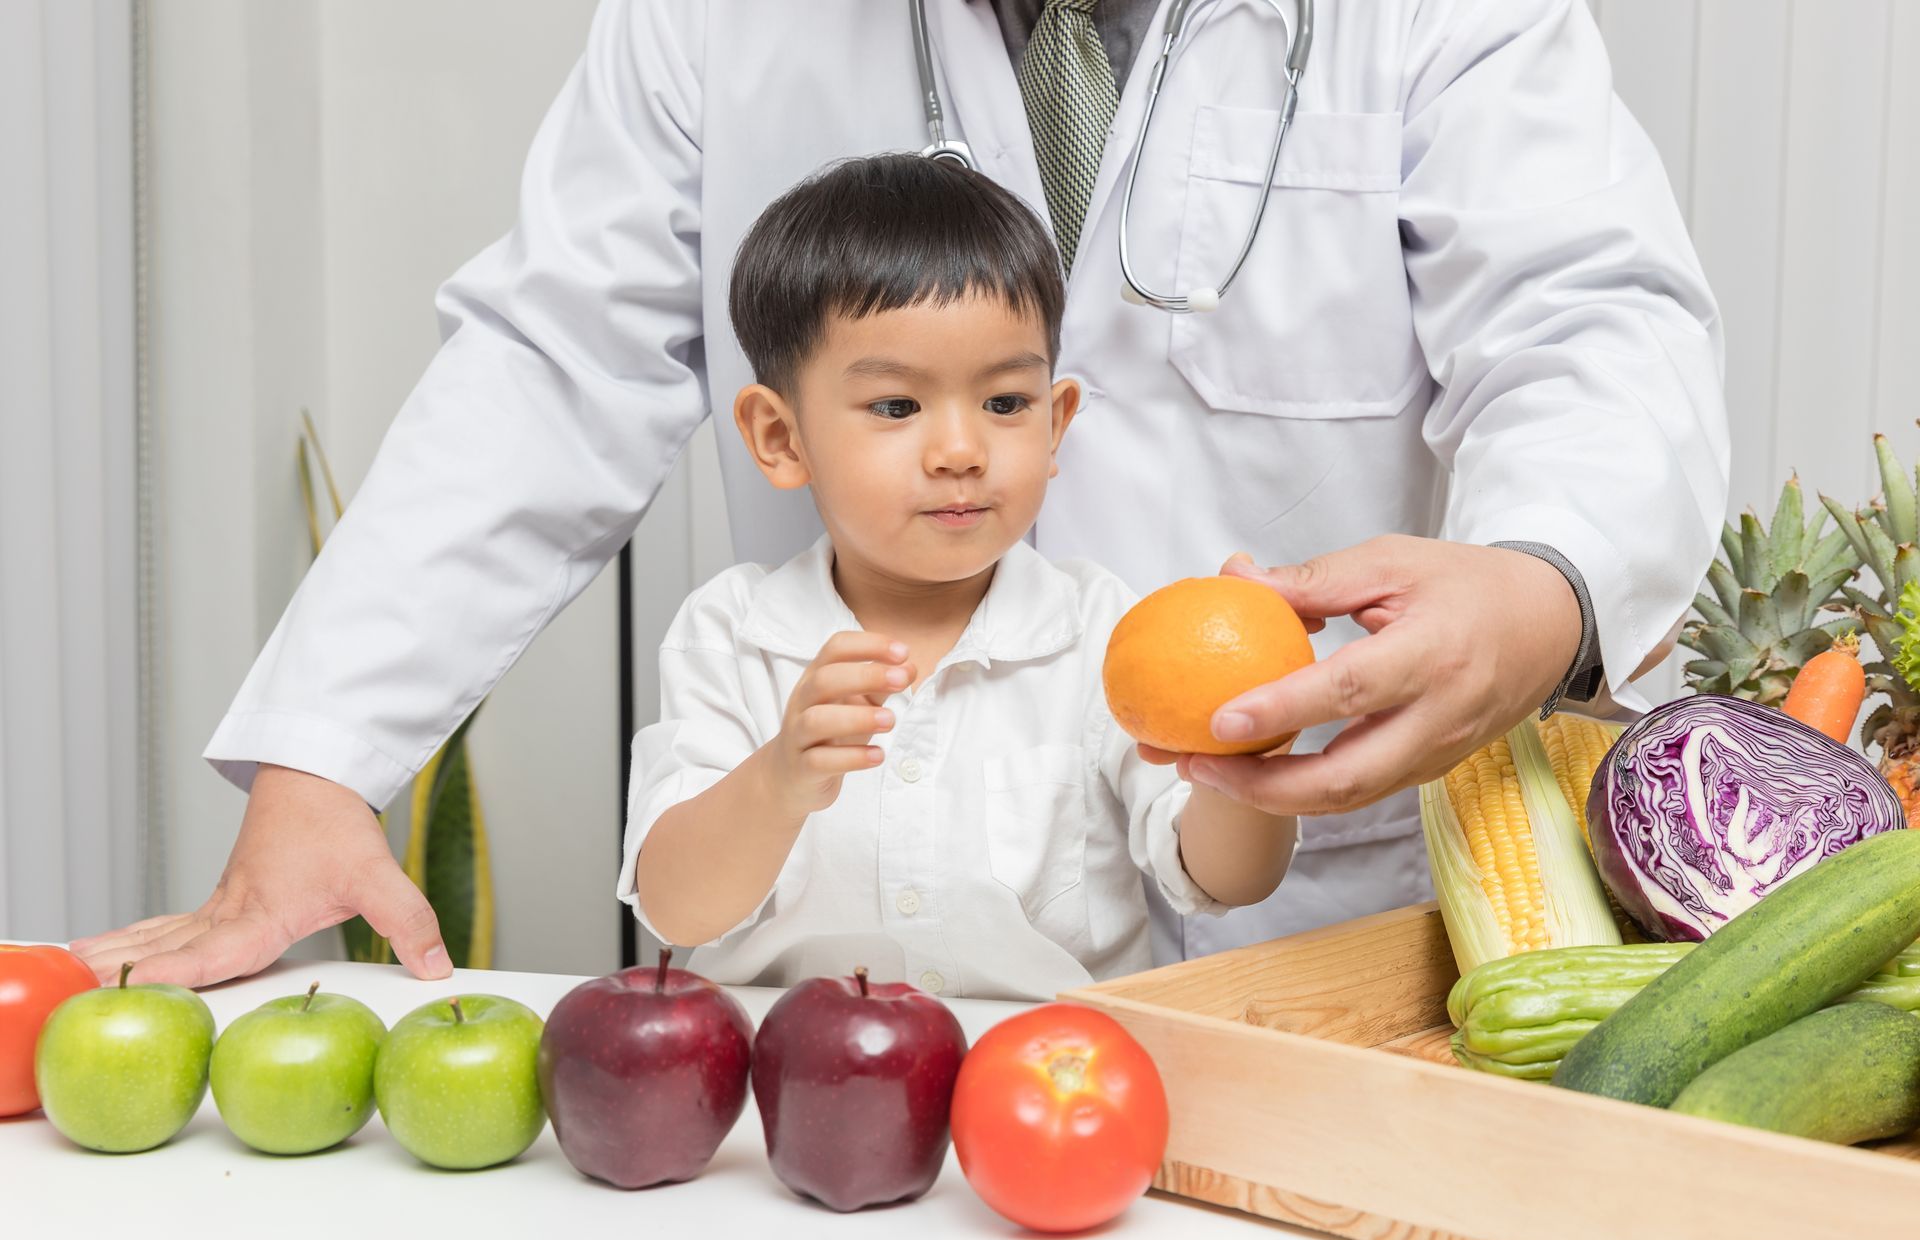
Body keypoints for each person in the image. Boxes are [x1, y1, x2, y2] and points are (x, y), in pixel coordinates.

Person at [71, 0, 1728, 988]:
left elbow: (1589, 324)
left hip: (1300, 906)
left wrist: (1542, 583)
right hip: (870, 948)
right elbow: (554, 355)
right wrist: (325, 757)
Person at [626, 154, 1296, 1001]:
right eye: (897, 407)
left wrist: (1249, 740)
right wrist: (778, 780)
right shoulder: (730, 634)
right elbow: (678, 911)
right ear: (781, 439)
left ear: (1056, 426)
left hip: (1048, 1085)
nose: (960, 453)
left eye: (1005, 404)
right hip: (795, 1092)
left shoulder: (1100, 630)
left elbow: (1226, 880)